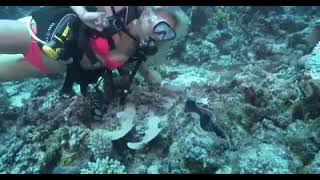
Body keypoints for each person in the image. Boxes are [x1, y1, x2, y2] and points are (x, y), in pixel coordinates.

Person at [0, 6, 189, 99]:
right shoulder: (117, 10)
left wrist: (163, 86)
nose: (160, 36)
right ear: (148, 13)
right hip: (33, 35)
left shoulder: (139, 50)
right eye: (161, 27)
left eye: (167, 34)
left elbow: (148, 74)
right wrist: (83, 14)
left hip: (40, 66)